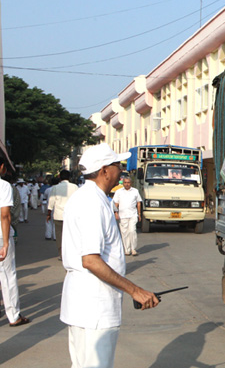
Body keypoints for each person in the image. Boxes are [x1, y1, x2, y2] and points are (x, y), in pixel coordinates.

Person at [61, 143, 159, 368]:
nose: (121, 170)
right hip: (94, 304)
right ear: (104, 171)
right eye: (117, 165)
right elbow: (91, 260)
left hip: (84, 303)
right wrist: (135, 291)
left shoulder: (89, 197)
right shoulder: (92, 203)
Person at [0, 152, 30, 327]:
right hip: (1, 235)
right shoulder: (3, 186)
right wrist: (5, 242)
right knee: (7, 275)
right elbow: (5, 215)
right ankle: (13, 316)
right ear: (2, 168)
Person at [48, 170, 78, 260]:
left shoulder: (56, 188)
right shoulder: (75, 187)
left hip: (59, 215)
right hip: (71, 215)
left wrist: (48, 213)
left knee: (59, 235)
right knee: (71, 235)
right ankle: (70, 253)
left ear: (60, 177)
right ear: (69, 177)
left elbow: (51, 201)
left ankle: (62, 254)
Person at [112, 177, 142, 256]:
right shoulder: (118, 192)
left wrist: (139, 214)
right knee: (124, 233)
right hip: (122, 215)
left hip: (133, 214)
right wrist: (115, 213)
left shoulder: (135, 191)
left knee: (132, 231)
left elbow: (138, 202)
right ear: (123, 183)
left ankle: (133, 249)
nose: (127, 184)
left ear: (131, 183)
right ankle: (127, 249)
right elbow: (116, 204)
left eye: (128, 182)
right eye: (125, 182)